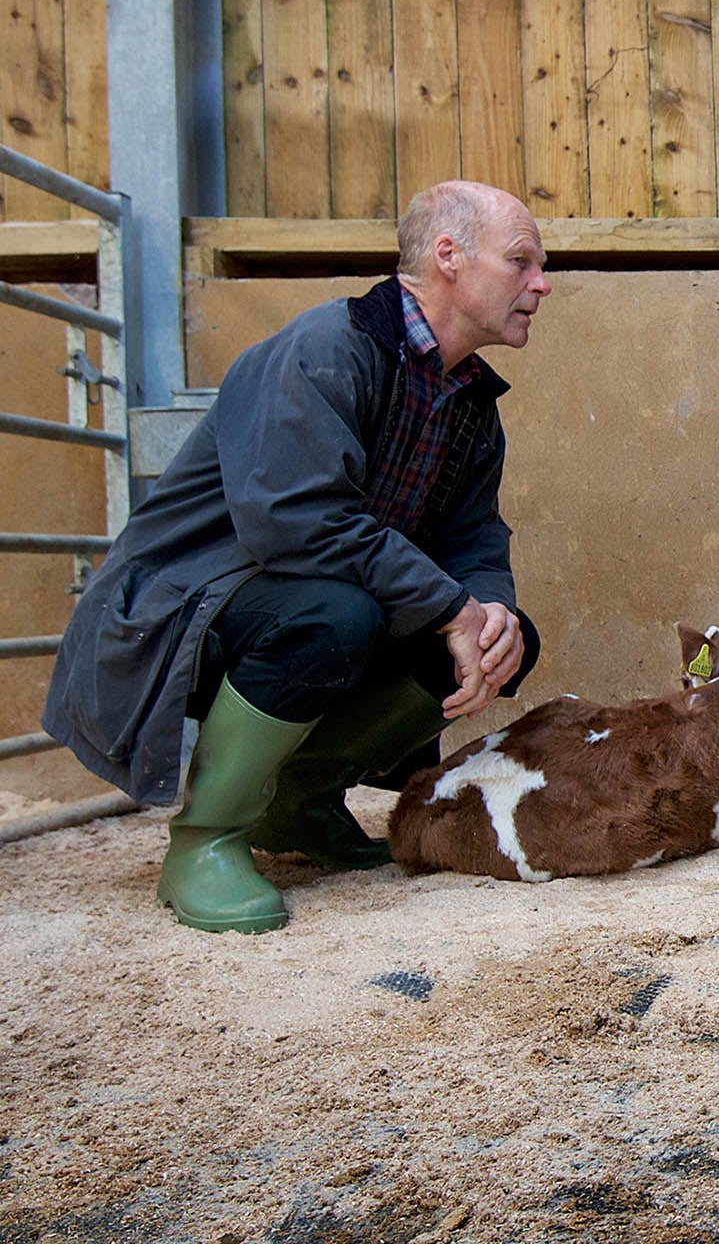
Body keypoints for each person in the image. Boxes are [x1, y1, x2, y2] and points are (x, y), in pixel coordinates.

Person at [42, 181, 552, 934]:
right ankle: (204, 840)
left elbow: (474, 537)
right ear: (449, 257)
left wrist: (489, 609)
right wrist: (449, 607)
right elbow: (294, 522)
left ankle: (298, 800)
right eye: (522, 262)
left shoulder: (469, 399)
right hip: (177, 613)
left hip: (289, 605)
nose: (542, 284)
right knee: (334, 615)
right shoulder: (325, 350)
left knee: (501, 637)